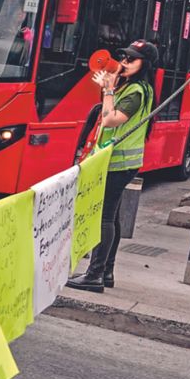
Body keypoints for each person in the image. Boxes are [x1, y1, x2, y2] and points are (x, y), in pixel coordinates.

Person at [67, 40, 158, 293]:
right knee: (113, 218)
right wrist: (110, 87)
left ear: (145, 64)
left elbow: (110, 121)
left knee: (104, 217)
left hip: (118, 163)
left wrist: (108, 91)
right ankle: (106, 272)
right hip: (120, 162)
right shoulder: (132, 87)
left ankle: (94, 275)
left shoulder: (138, 91)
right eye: (124, 58)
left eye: (132, 60)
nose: (125, 63)